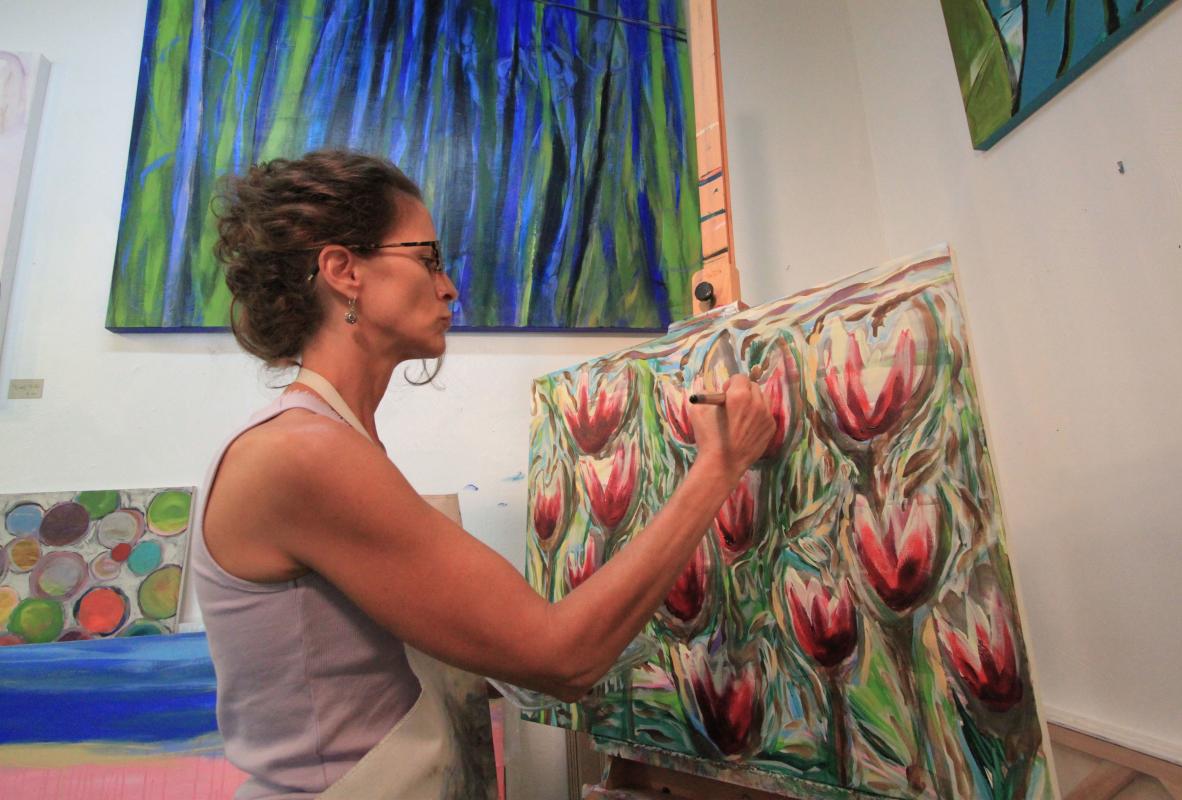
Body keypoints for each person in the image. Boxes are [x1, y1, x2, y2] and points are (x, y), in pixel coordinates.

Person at [193, 150, 774, 799]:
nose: (449, 288)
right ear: (343, 270)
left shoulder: (329, 442)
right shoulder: (302, 455)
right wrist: (718, 467)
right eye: (428, 259)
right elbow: (563, 658)